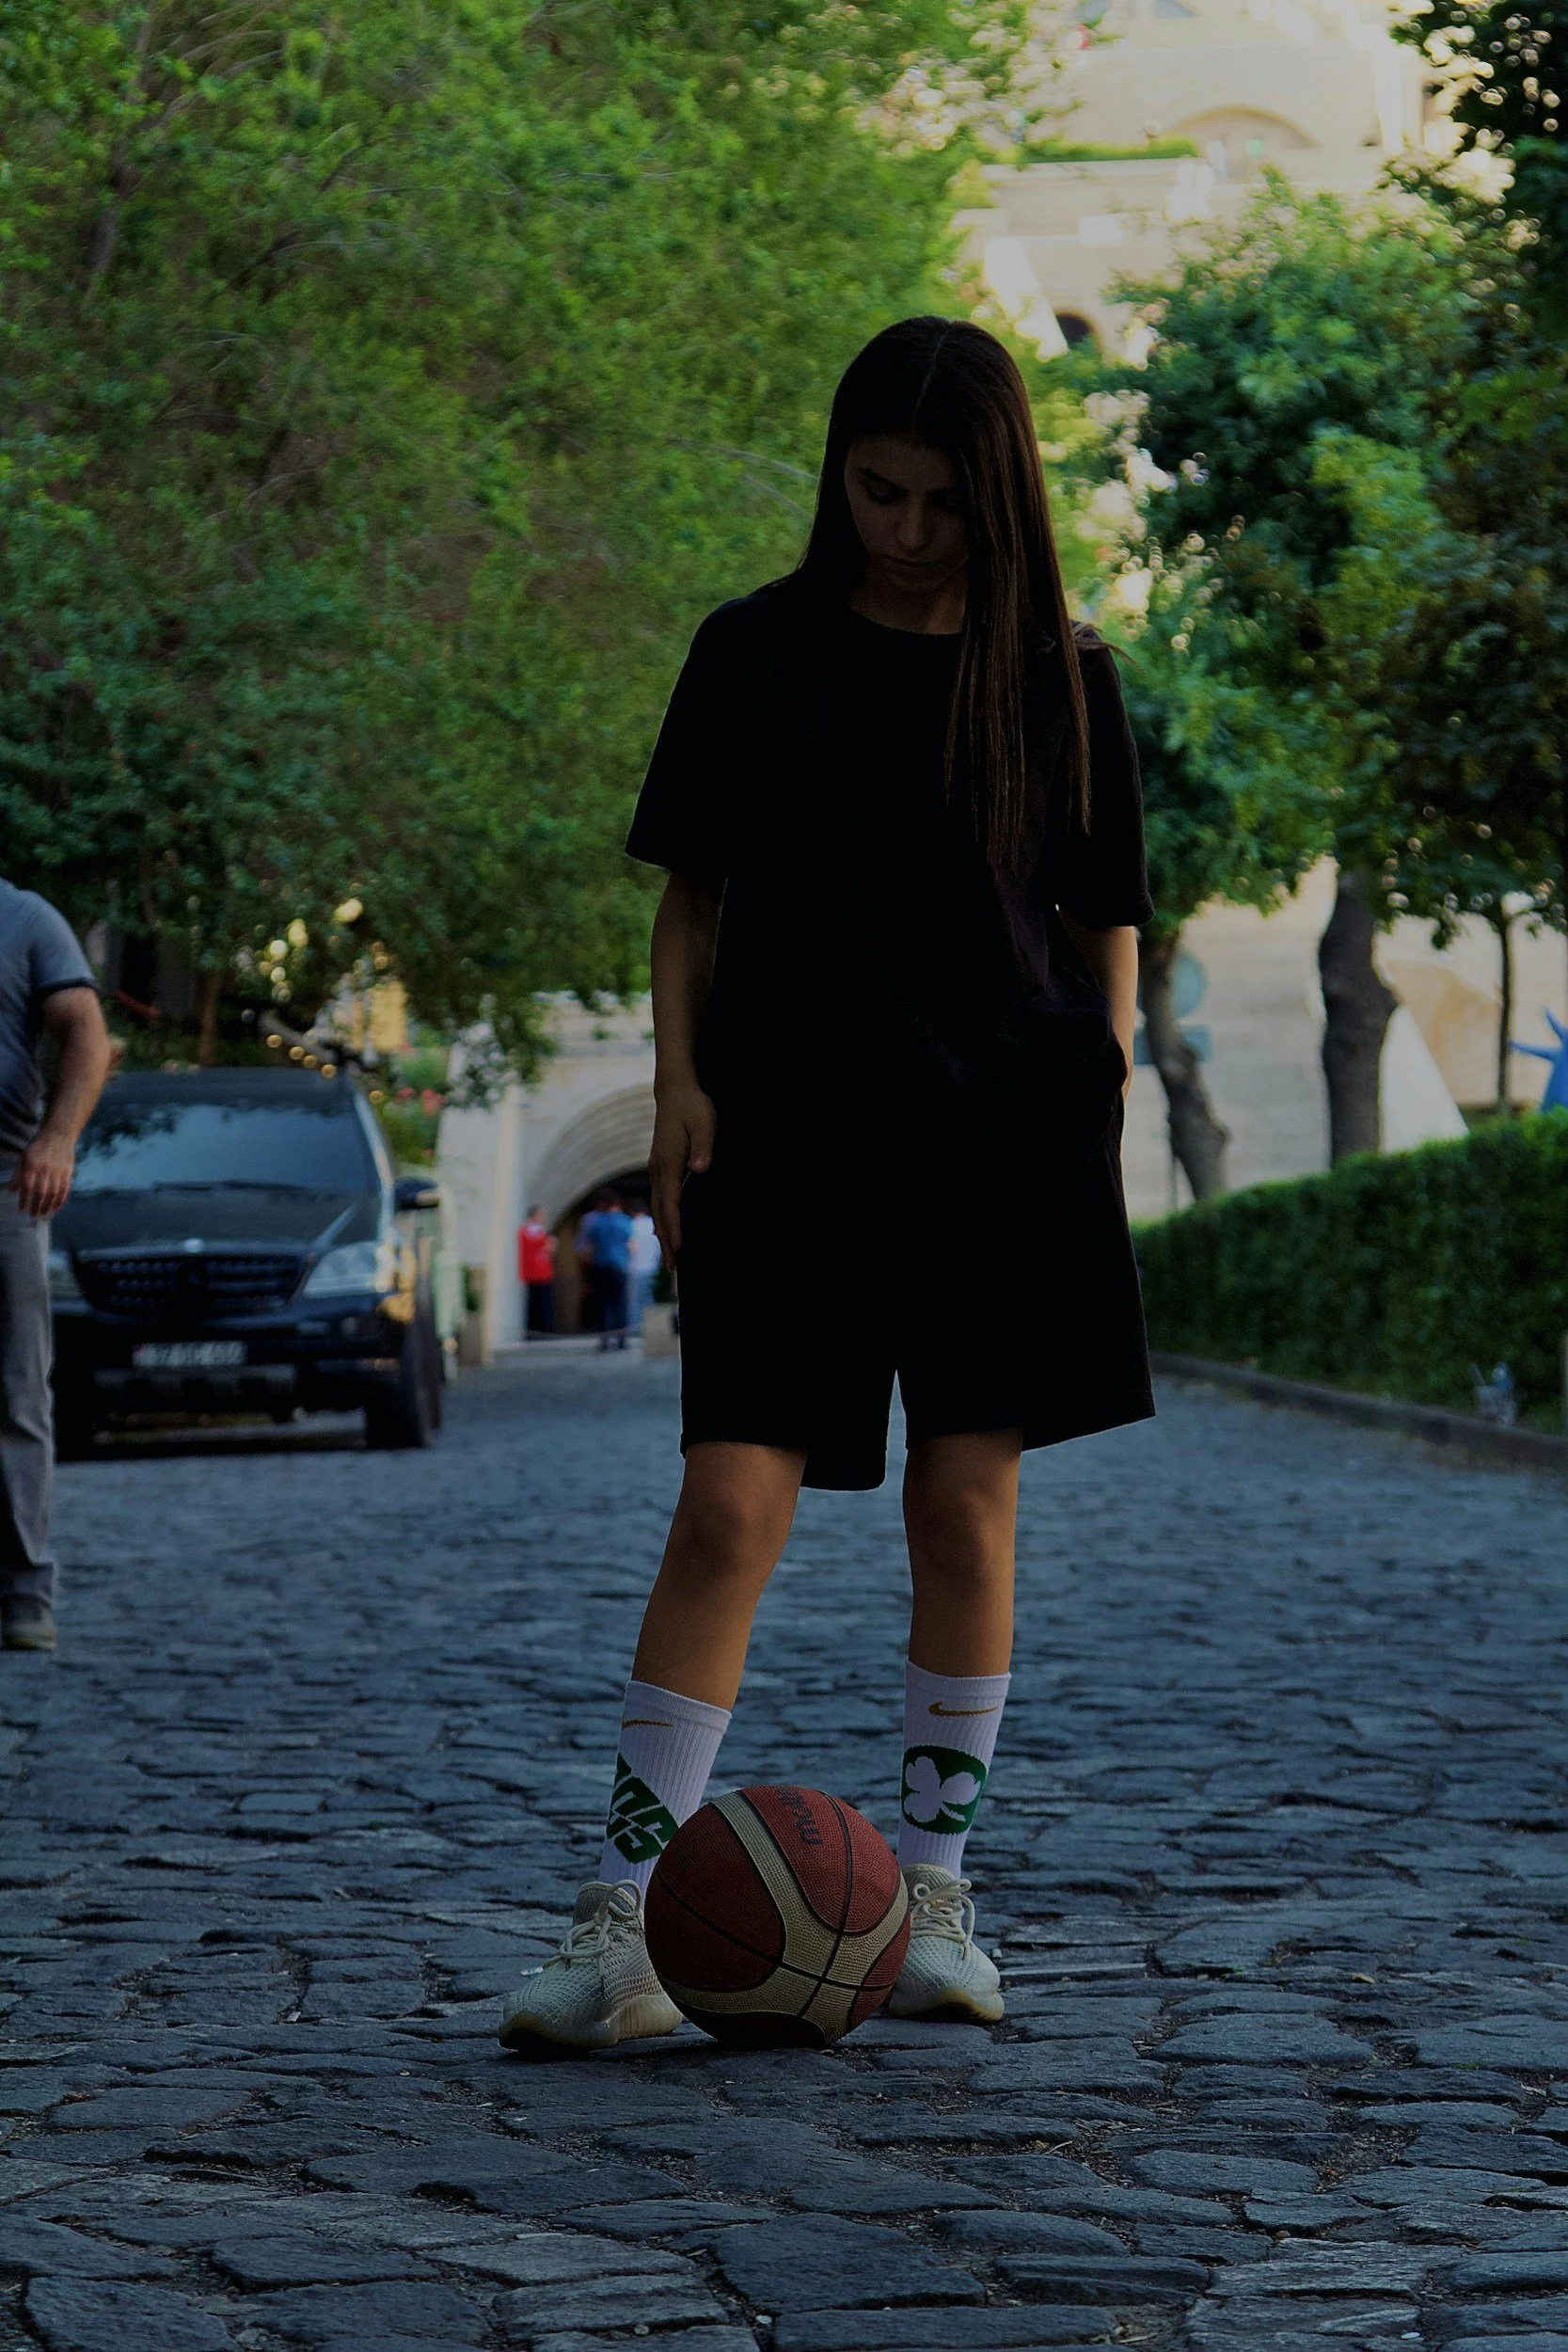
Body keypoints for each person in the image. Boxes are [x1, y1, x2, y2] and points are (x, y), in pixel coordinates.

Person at [500, 318, 1152, 2053]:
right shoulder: (754, 652)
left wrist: (1093, 1102)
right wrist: (681, 1088)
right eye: (878, 490)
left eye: (943, 499)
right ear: (837, 472)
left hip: (1002, 1146)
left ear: (997, 493)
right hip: (782, 1139)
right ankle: (621, 1923)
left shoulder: (1059, 677)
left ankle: (934, 1897)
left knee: (965, 1509)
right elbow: (691, 902)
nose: (908, 527)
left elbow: (1104, 921)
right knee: (727, 1505)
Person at [0, 882, 112, 1654]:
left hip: (6, 1180)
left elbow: (85, 1032)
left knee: (14, 1387)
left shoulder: (27, 918)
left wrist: (58, 1138)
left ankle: (24, 1591)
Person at [576, 1190, 634, 1350]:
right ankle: (622, 1340)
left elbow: (589, 1247)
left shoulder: (597, 1222)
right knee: (620, 1303)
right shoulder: (624, 1221)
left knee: (603, 1305)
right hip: (619, 1267)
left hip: (600, 1267)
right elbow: (631, 1245)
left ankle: (604, 1341)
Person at [518, 1207, 557, 1338]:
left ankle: (535, 1331)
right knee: (542, 1305)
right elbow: (548, 1245)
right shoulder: (534, 1231)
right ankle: (543, 1331)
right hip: (539, 1272)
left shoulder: (527, 1231)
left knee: (534, 1304)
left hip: (533, 1273)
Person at [627, 1204, 660, 1332]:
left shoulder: (631, 1225)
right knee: (649, 1299)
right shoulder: (653, 1224)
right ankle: (650, 1329)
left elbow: (630, 1247)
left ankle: (634, 1330)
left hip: (634, 1268)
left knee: (634, 1302)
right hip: (652, 1268)